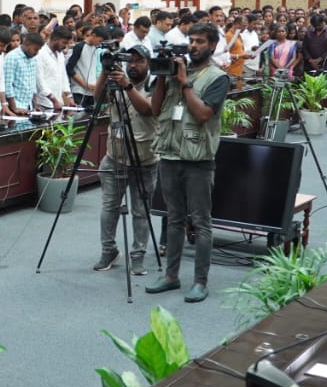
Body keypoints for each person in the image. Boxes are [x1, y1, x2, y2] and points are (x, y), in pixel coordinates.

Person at [146, 23, 229, 304]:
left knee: (201, 223)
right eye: (191, 40)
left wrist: (184, 82)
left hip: (198, 159)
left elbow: (203, 113)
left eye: (200, 42)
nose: (193, 46)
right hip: (169, 154)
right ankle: (171, 277)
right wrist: (161, 76)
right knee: (173, 219)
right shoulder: (174, 72)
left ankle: (200, 282)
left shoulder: (218, 78)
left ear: (213, 45)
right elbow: (155, 110)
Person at [92, 47, 158, 275]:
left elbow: (148, 109)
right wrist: (105, 71)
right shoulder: (118, 79)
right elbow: (98, 97)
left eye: (139, 61)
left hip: (144, 159)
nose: (133, 65)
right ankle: (108, 250)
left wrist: (127, 86)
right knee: (109, 207)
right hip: (115, 156)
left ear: (148, 63)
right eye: (130, 61)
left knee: (141, 211)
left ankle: (138, 257)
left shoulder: (155, 84)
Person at [35, 27, 75, 111]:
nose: (65, 46)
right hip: (44, 103)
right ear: (55, 39)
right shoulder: (40, 53)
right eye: (64, 43)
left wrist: (69, 97)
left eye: (68, 44)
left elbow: (64, 78)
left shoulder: (60, 54)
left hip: (58, 103)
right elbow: (39, 82)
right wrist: (53, 100)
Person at [2, 32, 43, 115]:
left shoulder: (33, 59)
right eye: (35, 49)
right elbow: (7, 85)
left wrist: (35, 105)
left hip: (29, 107)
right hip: (15, 107)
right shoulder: (12, 57)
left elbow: (32, 84)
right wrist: (14, 108)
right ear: (27, 44)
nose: (37, 53)